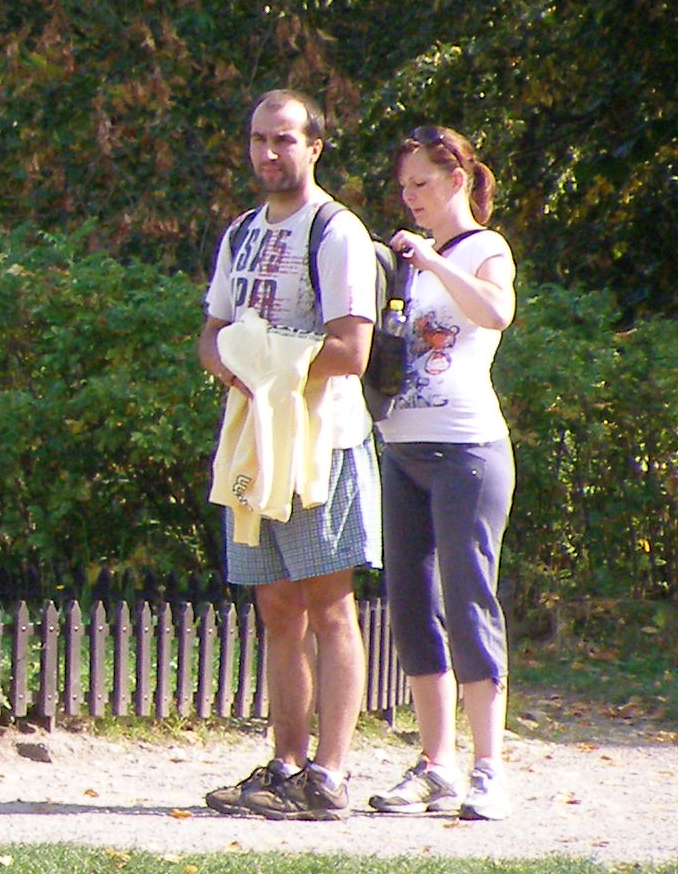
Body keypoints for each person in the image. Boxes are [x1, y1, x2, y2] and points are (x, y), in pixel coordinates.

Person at [198, 89, 381, 821]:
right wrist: (237, 369)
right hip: (254, 442)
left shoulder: (336, 231)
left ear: (314, 146)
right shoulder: (240, 233)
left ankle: (329, 776)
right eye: (258, 139)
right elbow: (212, 333)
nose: (269, 153)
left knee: (329, 606)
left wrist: (267, 363)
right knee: (275, 607)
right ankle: (285, 765)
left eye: (283, 139)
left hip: (321, 442)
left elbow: (352, 349)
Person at [363, 125, 519, 821]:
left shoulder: (484, 249)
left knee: (468, 600)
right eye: (404, 187)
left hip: (466, 452)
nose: (411, 197)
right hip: (401, 450)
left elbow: (496, 311)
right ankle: (436, 765)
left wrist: (431, 259)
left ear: (457, 179)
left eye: (422, 183)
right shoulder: (404, 262)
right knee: (411, 606)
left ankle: (488, 769)